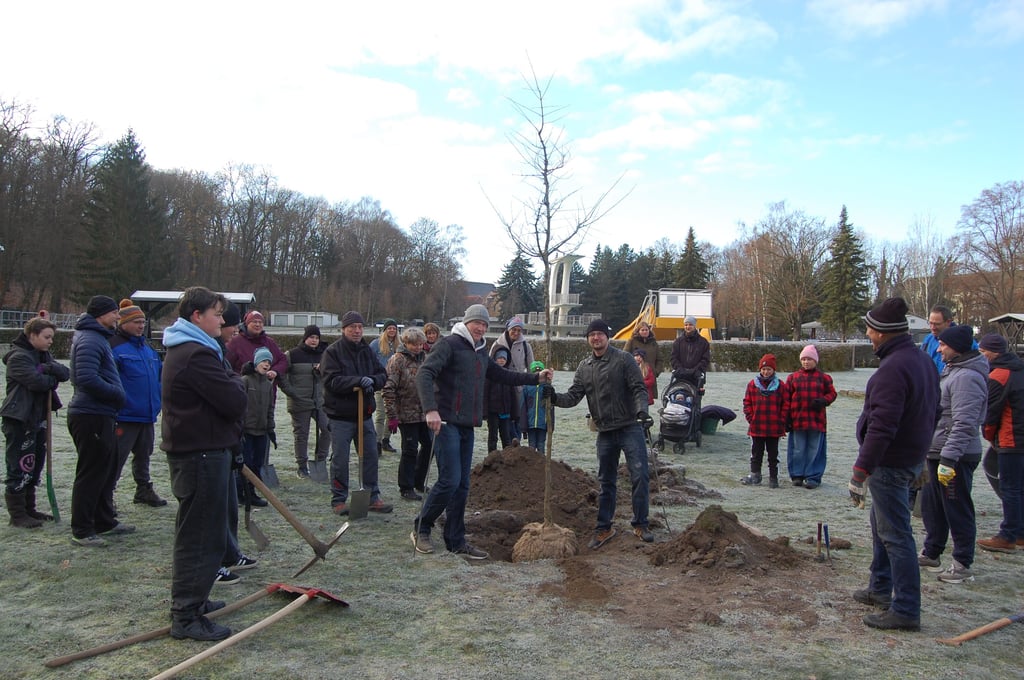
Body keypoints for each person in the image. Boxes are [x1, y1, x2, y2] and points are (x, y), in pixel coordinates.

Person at [412, 304, 552, 558]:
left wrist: (536, 378)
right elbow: (425, 373)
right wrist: (430, 409)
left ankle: (455, 539)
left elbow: (501, 374)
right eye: (477, 323)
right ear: (466, 323)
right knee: (450, 480)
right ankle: (422, 526)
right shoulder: (450, 344)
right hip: (445, 422)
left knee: (463, 485)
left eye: (485, 325)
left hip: (467, 424)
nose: (481, 328)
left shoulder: (480, 352)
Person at [161, 286, 247, 641]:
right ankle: (186, 616)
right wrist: (236, 380)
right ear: (197, 316)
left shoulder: (200, 350)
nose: (222, 320)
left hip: (206, 450)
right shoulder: (195, 354)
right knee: (199, 537)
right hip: (199, 454)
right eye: (216, 313)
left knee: (206, 534)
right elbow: (234, 400)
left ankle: (195, 602)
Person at [849, 297, 940, 632]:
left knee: (896, 535)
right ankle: (879, 588)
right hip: (910, 459)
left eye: (870, 329)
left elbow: (882, 427)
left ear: (882, 333)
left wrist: (861, 471)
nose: (868, 334)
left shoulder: (892, 370)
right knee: (881, 528)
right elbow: (935, 410)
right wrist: (922, 456)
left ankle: (905, 609)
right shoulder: (922, 361)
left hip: (891, 464)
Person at [546, 319, 653, 549]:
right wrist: (553, 397)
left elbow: (638, 389)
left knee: (640, 475)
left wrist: (642, 411)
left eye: (600, 334)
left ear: (608, 337)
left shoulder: (624, 360)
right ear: (588, 339)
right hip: (605, 431)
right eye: (592, 334)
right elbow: (573, 397)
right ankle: (604, 527)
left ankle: (641, 523)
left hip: (629, 426)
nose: (596, 338)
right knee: (606, 481)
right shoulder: (585, 367)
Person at [918, 324, 987, 583]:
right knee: (933, 506)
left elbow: (965, 423)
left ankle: (962, 563)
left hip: (956, 456)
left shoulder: (967, 378)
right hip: (938, 451)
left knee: (957, 508)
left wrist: (949, 458)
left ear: (956, 348)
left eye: (943, 345)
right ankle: (932, 551)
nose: (939, 349)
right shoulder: (952, 371)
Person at [67, 295, 130, 547]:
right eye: (115, 312)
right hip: (90, 415)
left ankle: (104, 520)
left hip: (103, 414)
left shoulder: (98, 338)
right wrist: (117, 393)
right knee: (91, 472)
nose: (118, 317)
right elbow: (85, 378)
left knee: (105, 469)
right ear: (101, 314)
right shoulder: (90, 340)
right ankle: (82, 529)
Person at [322, 311, 393, 516]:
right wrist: (357, 381)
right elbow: (331, 380)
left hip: (364, 415)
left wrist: (372, 381)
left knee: (370, 456)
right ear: (344, 329)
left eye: (360, 327)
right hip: (340, 416)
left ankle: (372, 496)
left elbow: (382, 374)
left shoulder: (366, 350)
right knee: (340, 459)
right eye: (352, 327)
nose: (357, 331)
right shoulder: (333, 352)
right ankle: (339, 499)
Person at [2, 315, 70, 528]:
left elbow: (65, 373)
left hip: (38, 417)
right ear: (32, 335)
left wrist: (48, 369)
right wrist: (50, 377)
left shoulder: (43, 356)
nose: (50, 341)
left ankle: (29, 508)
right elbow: (36, 382)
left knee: (35, 463)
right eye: (47, 337)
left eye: (52, 337)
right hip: (20, 418)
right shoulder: (18, 357)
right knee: (20, 465)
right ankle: (17, 514)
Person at [213, 302, 257, 584]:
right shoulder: (205, 352)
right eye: (229, 324)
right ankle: (213, 562)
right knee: (212, 508)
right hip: (210, 443)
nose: (234, 331)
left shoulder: (217, 350)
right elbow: (226, 393)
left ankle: (229, 552)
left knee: (228, 503)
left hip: (227, 437)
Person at [109, 299, 166, 508]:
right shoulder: (114, 347)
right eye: (136, 322)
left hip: (147, 414)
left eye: (143, 321)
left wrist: (158, 398)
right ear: (122, 323)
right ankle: (107, 495)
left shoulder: (148, 349)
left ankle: (143, 489)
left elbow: (159, 376)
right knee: (116, 458)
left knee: (144, 455)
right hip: (124, 415)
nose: (141, 326)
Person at [976, 333, 1024, 553]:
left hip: (1010, 438)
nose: (981, 355)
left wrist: (989, 436)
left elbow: (991, 412)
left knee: (1010, 487)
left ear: (993, 352)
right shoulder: (1019, 369)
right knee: (1019, 487)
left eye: (983, 351)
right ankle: (1020, 532)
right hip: (1018, 436)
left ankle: (1008, 535)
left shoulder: (998, 375)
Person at [382, 326, 432, 501]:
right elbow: (388, 389)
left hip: (423, 413)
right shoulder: (397, 361)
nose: (418, 347)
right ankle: (406, 486)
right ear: (406, 343)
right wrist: (392, 416)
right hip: (405, 413)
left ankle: (419, 481)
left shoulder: (424, 359)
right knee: (409, 450)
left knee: (429, 446)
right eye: (414, 344)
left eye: (420, 344)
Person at [277, 325, 330, 479]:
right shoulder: (292, 355)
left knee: (327, 429)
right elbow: (281, 375)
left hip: (319, 401)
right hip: (299, 402)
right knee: (302, 434)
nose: (314, 341)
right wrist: (291, 392)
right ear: (305, 338)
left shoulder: (324, 355)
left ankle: (320, 460)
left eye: (317, 338)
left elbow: (330, 375)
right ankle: (302, 466)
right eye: (311, 337)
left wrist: (321, 373)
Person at [785, 345, 836, 489]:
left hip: (816, 421)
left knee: (815, 449)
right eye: (804, 359)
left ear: (815, 361)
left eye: (809, 359)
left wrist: (824, 401)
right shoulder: (793, 378)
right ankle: (797, 474)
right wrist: (787, 418)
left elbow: (832, 394)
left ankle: (813, 476)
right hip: (797, 420)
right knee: (798, 448)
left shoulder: (824, 378)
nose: (806, 362)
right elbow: (786, 398)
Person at [740, 354, 789, 489]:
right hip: (757, 426)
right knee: (756, 453)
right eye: (763, 369)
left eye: (768, 369)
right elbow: (747, 402)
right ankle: (755, 475)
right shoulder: (752, 385)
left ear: (773, 370)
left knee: (773, 454)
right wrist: (751, 418)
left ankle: (773, 478)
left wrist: (781, 419)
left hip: (774, 427)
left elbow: (786, 404)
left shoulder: (780, 386)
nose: (766, 372)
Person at [239, 348, 275, 507]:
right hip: (247, 431)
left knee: (257, 463)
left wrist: (270, 427)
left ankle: (251, 493)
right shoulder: (245, 380)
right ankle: (241, 493)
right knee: (246, 464)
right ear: (256, 362)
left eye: (268, 362)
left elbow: (270, 408)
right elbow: (238, 405)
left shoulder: (268, 385)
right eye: (263, 361)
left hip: (262, 431)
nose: (266, 364)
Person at [490, 315, 535, 443]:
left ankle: (516, 443)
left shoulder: (526, 346)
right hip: (501, 388)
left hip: (519, 388)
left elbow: (531, 366)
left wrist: (532, 382)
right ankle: (509, 444)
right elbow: (490, 366)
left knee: (517, 418)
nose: (516, 333)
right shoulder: (497, 344)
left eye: (519, 330)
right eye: (513, 329)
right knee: (505, 419)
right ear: (508, 329)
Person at [225, 310, 287, 382]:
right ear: (247, 324)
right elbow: (226, 366)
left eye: (260, 322)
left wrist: (275, 371)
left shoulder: (269, 342)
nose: (258, 324)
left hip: (266, 389)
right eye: (254, 322)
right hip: (243, 388)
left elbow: (283, 360)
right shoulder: (235, 342)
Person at [369, 319, 400, 453]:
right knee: (381, 414)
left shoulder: (400, 345)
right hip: (381, 384)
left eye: (394, 328)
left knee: (392, 414)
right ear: (385, 330)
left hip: (395, 385)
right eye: (389, 328)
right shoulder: (376, 344)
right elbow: (369, 359)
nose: (392, 331)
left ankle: (386, 440)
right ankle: (377, 442)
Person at [484, 347, 519, 451]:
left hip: (505, 412)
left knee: (506, 437)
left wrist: (515, 413)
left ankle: (507, 458)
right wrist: (484, 412)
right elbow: (485, 394)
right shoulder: (489, 375)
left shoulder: (509, 375)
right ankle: (492, 457)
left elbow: (514, 396)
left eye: (504, 358)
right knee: (493, 436)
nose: (501, 360)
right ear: (495, 359)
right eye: (499, 358)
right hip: (493, 411)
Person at [669, 315, 711, 388]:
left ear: (695, 326)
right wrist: (681, 370)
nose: (688, 327)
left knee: (695, 398)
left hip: (697, 377)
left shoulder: (703, 342)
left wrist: (694, 370)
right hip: (680, 377)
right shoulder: (678, 342)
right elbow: (673, 358)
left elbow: (705, 359)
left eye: (690, 325)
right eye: (686, 325)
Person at [624, 321, 660, 399]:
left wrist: (656, 372)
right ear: (638, 331)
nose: (645, 332)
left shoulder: (654, 343)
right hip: (634, 375)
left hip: (649, 377)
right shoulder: (631, 341)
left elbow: (659, 359)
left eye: (646, 330)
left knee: (647, 400)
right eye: (642, 330)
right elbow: (624, 357)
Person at [520, 361, 550, 452]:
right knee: (531, 447)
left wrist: (550, 425)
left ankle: (542, 465)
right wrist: (523, 425)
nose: (538, 374)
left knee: (541, 446)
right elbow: (523, 407)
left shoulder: (547, 388)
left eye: (540, 372)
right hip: (530, 423)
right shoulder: (527, 387)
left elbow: (551, 408)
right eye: (535, 373)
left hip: (542, 423)